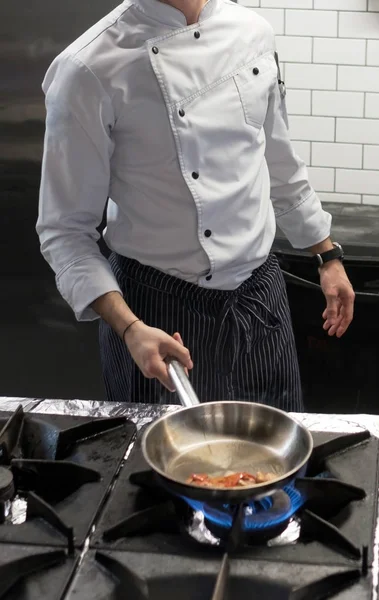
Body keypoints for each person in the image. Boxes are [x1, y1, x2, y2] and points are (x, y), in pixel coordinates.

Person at [37, 0, 355, 410]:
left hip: (259, 300)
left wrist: (327, 256)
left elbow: (278, 162)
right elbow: (64, 233)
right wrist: (130, 327)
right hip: (156, 314)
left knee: (275, 459)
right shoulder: (88, 70)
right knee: (162, 468)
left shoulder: (252, 31)